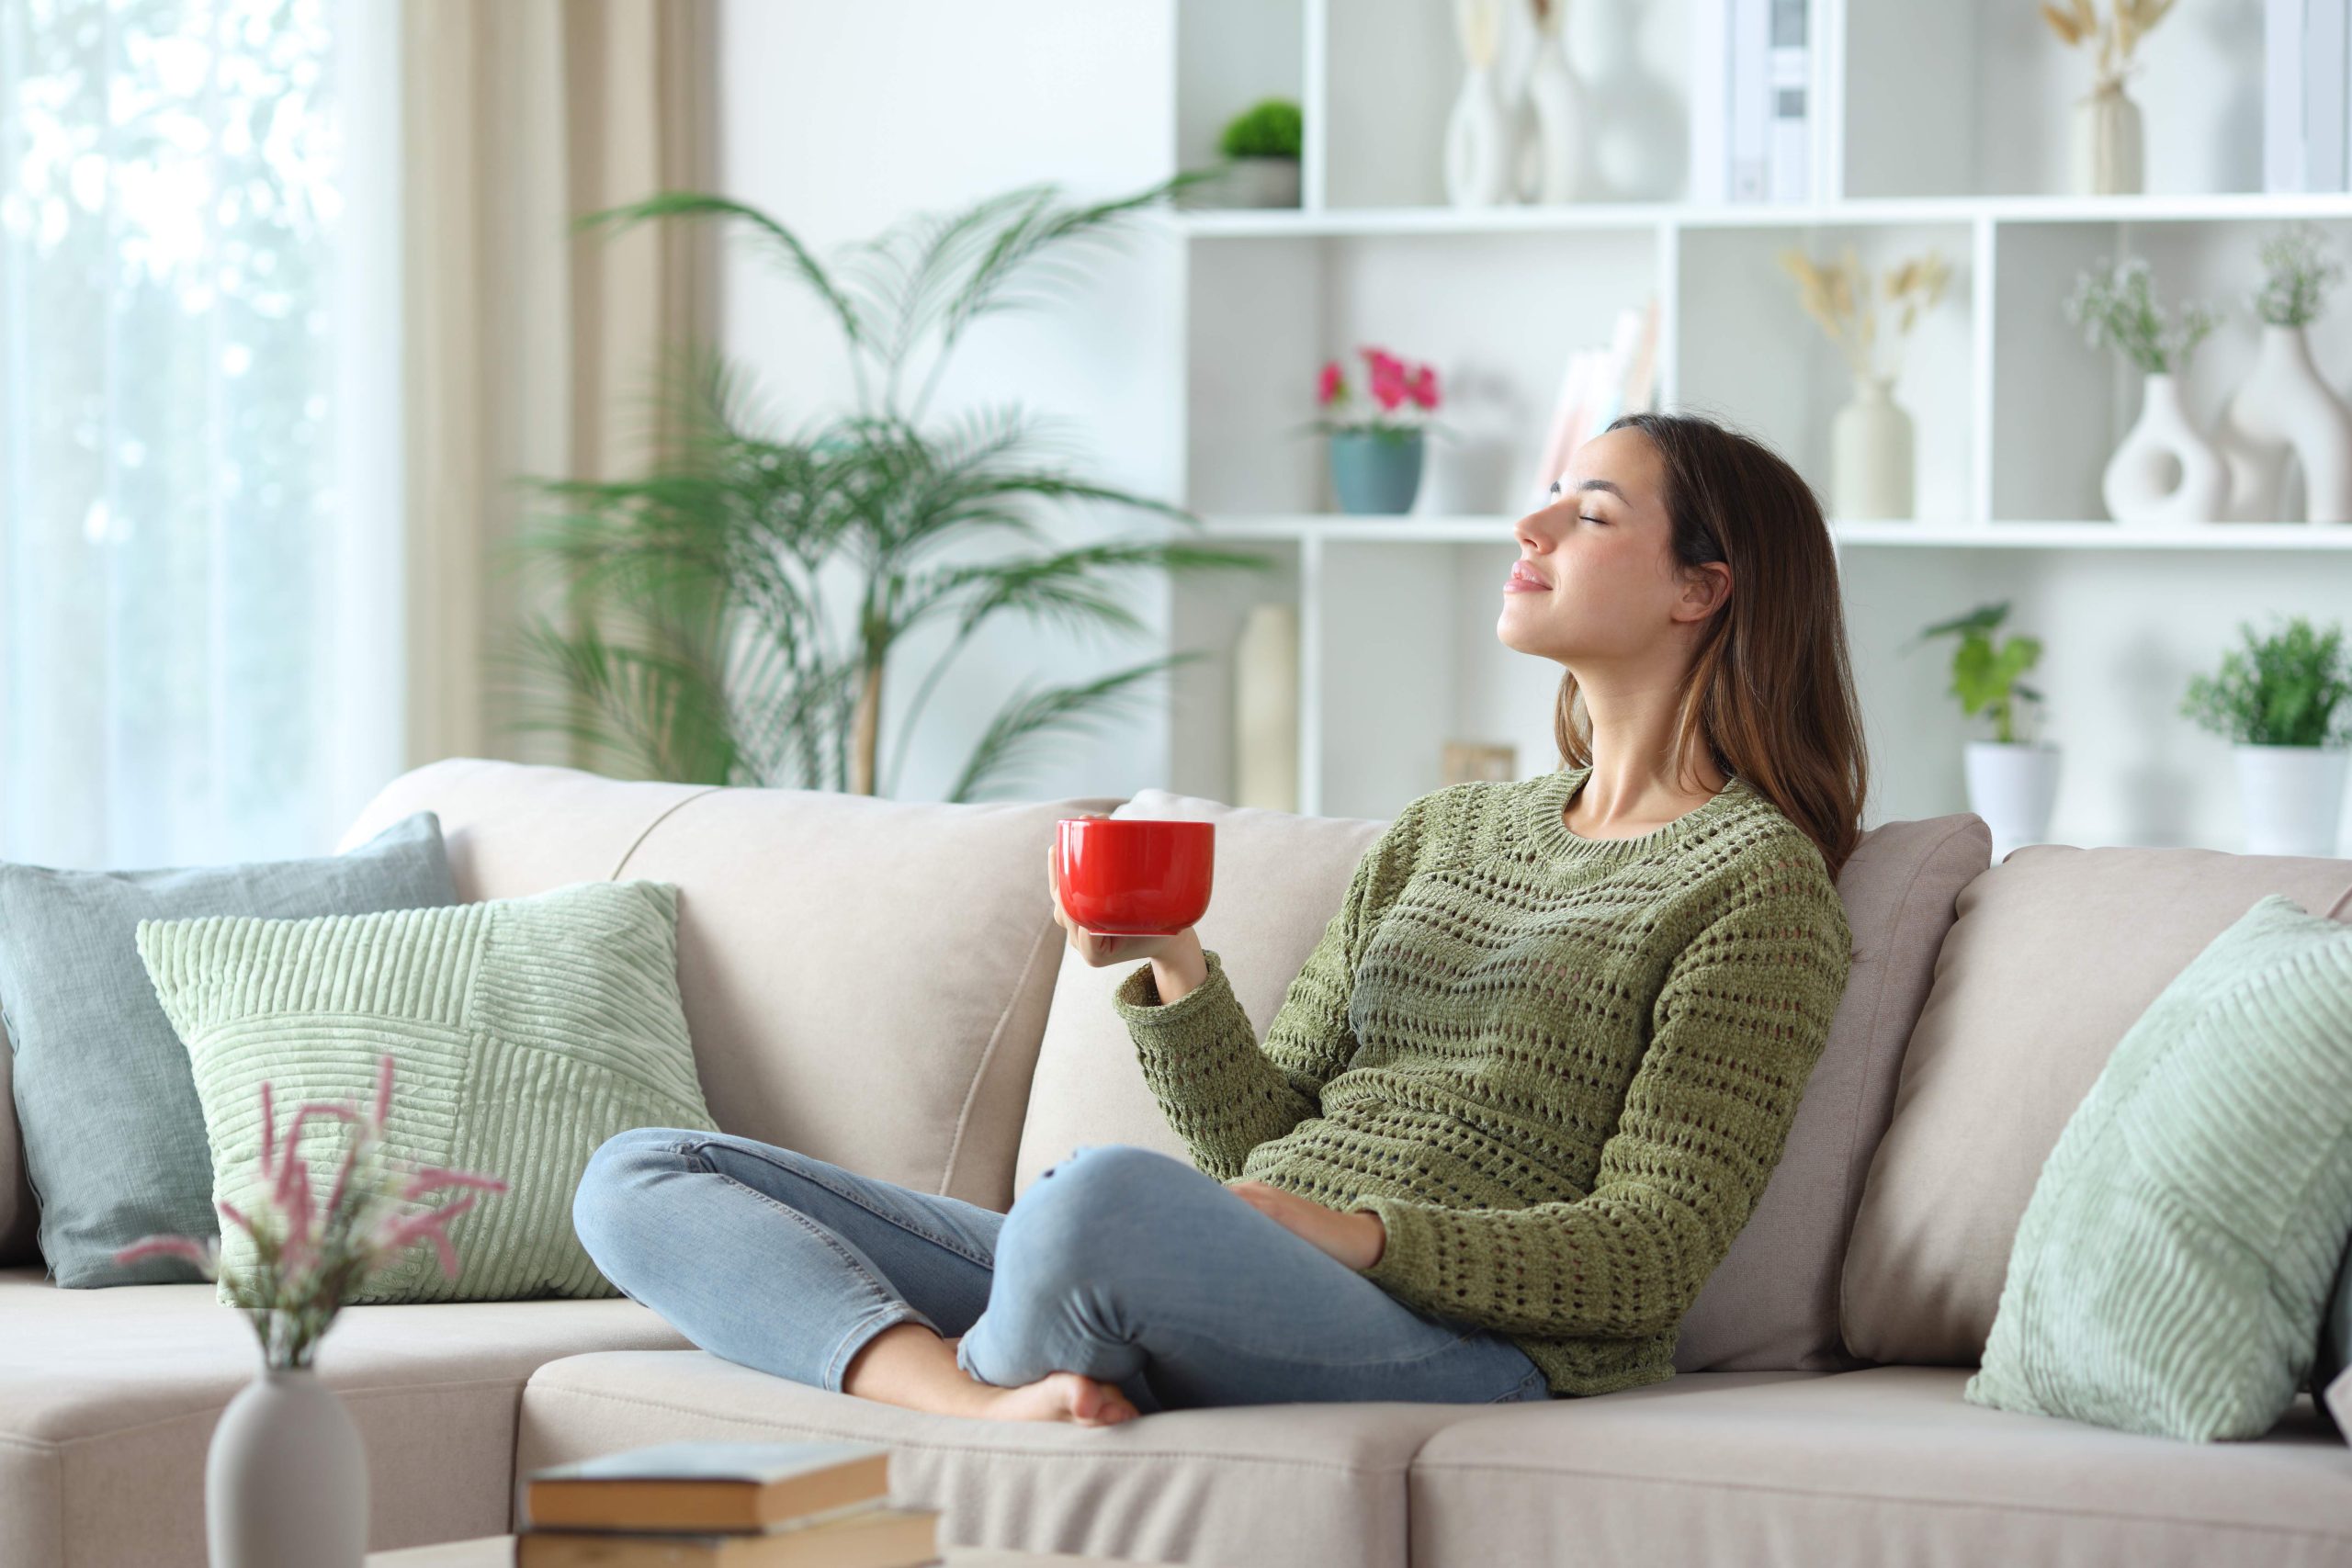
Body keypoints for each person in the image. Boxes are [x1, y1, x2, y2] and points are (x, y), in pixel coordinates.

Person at [571, 409, 1863, 1428]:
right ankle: (974, 1405)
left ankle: (999, 1380)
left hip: (1461, 1343)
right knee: (642, 1175)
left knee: (1091, 1208)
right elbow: (1263, 1132)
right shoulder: (1445, 832)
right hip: (1239, 1263)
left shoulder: (1754, 884)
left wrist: (1349, 1235)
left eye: (1588, 513)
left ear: (1704, 590)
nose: (1529, 525)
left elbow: (1649, 1257)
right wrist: (1171, 971)